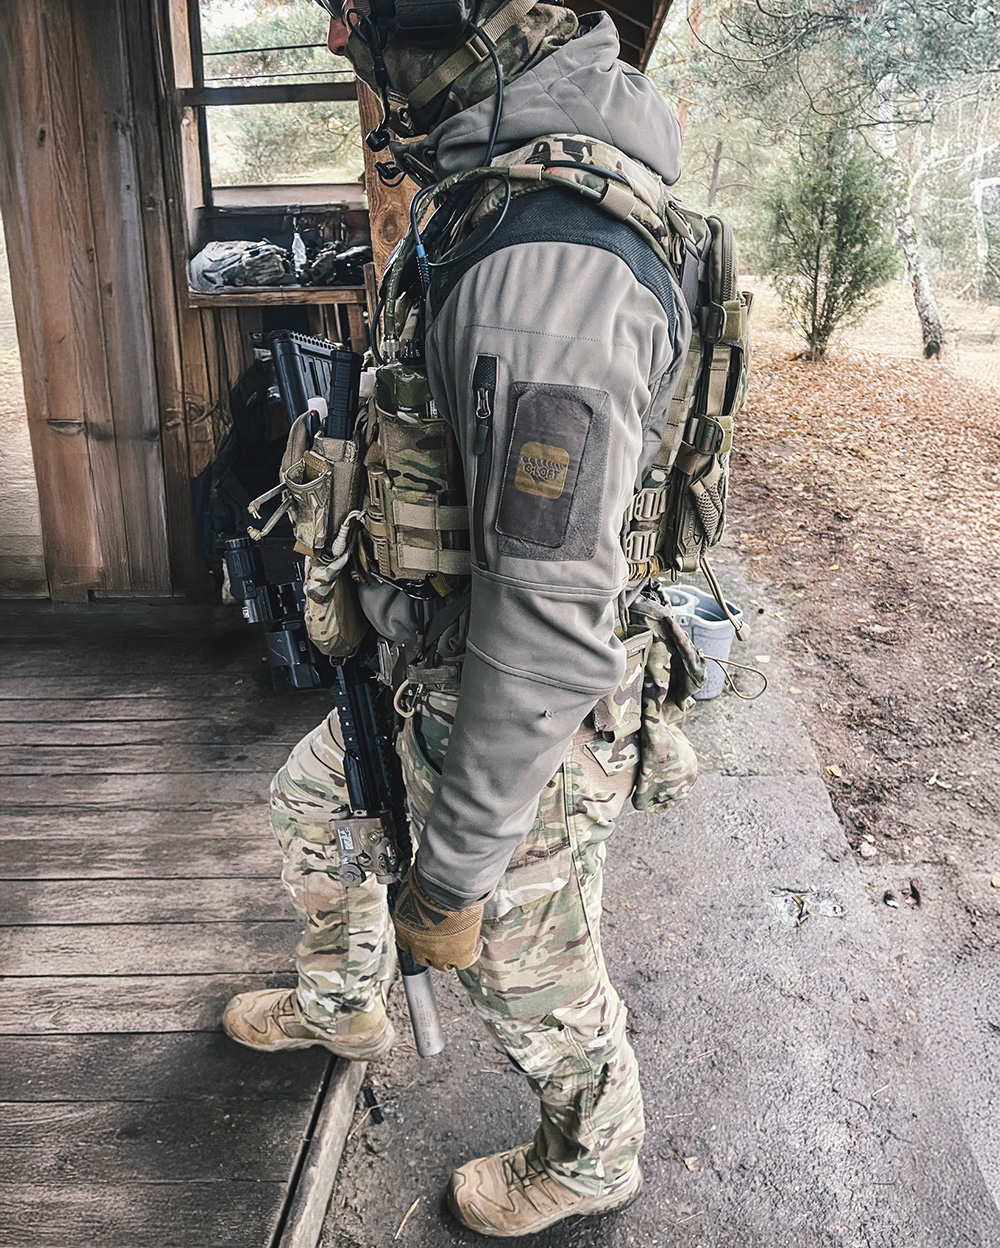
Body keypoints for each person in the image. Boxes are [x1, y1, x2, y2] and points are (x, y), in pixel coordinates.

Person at [222, 0, 692, 1234]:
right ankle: (343, 1002)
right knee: (315, 807)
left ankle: (591, 1155)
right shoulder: (489, 198)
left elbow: (545, 618)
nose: (341, 43)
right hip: (420, 672)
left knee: (525, 974)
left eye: (361, 15)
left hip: (509, 716)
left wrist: (456, 872)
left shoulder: (548, 261)